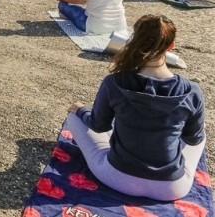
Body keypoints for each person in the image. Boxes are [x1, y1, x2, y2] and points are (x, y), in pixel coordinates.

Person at [66, 14, 205, 201]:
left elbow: (98, 125)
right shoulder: (191, 91)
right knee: (200, 132)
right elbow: (193, 138)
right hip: (171, 189)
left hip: (117, 178)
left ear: (134, 41)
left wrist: (81, 110)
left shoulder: (115, 82)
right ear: (171, 46)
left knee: (75, 116)